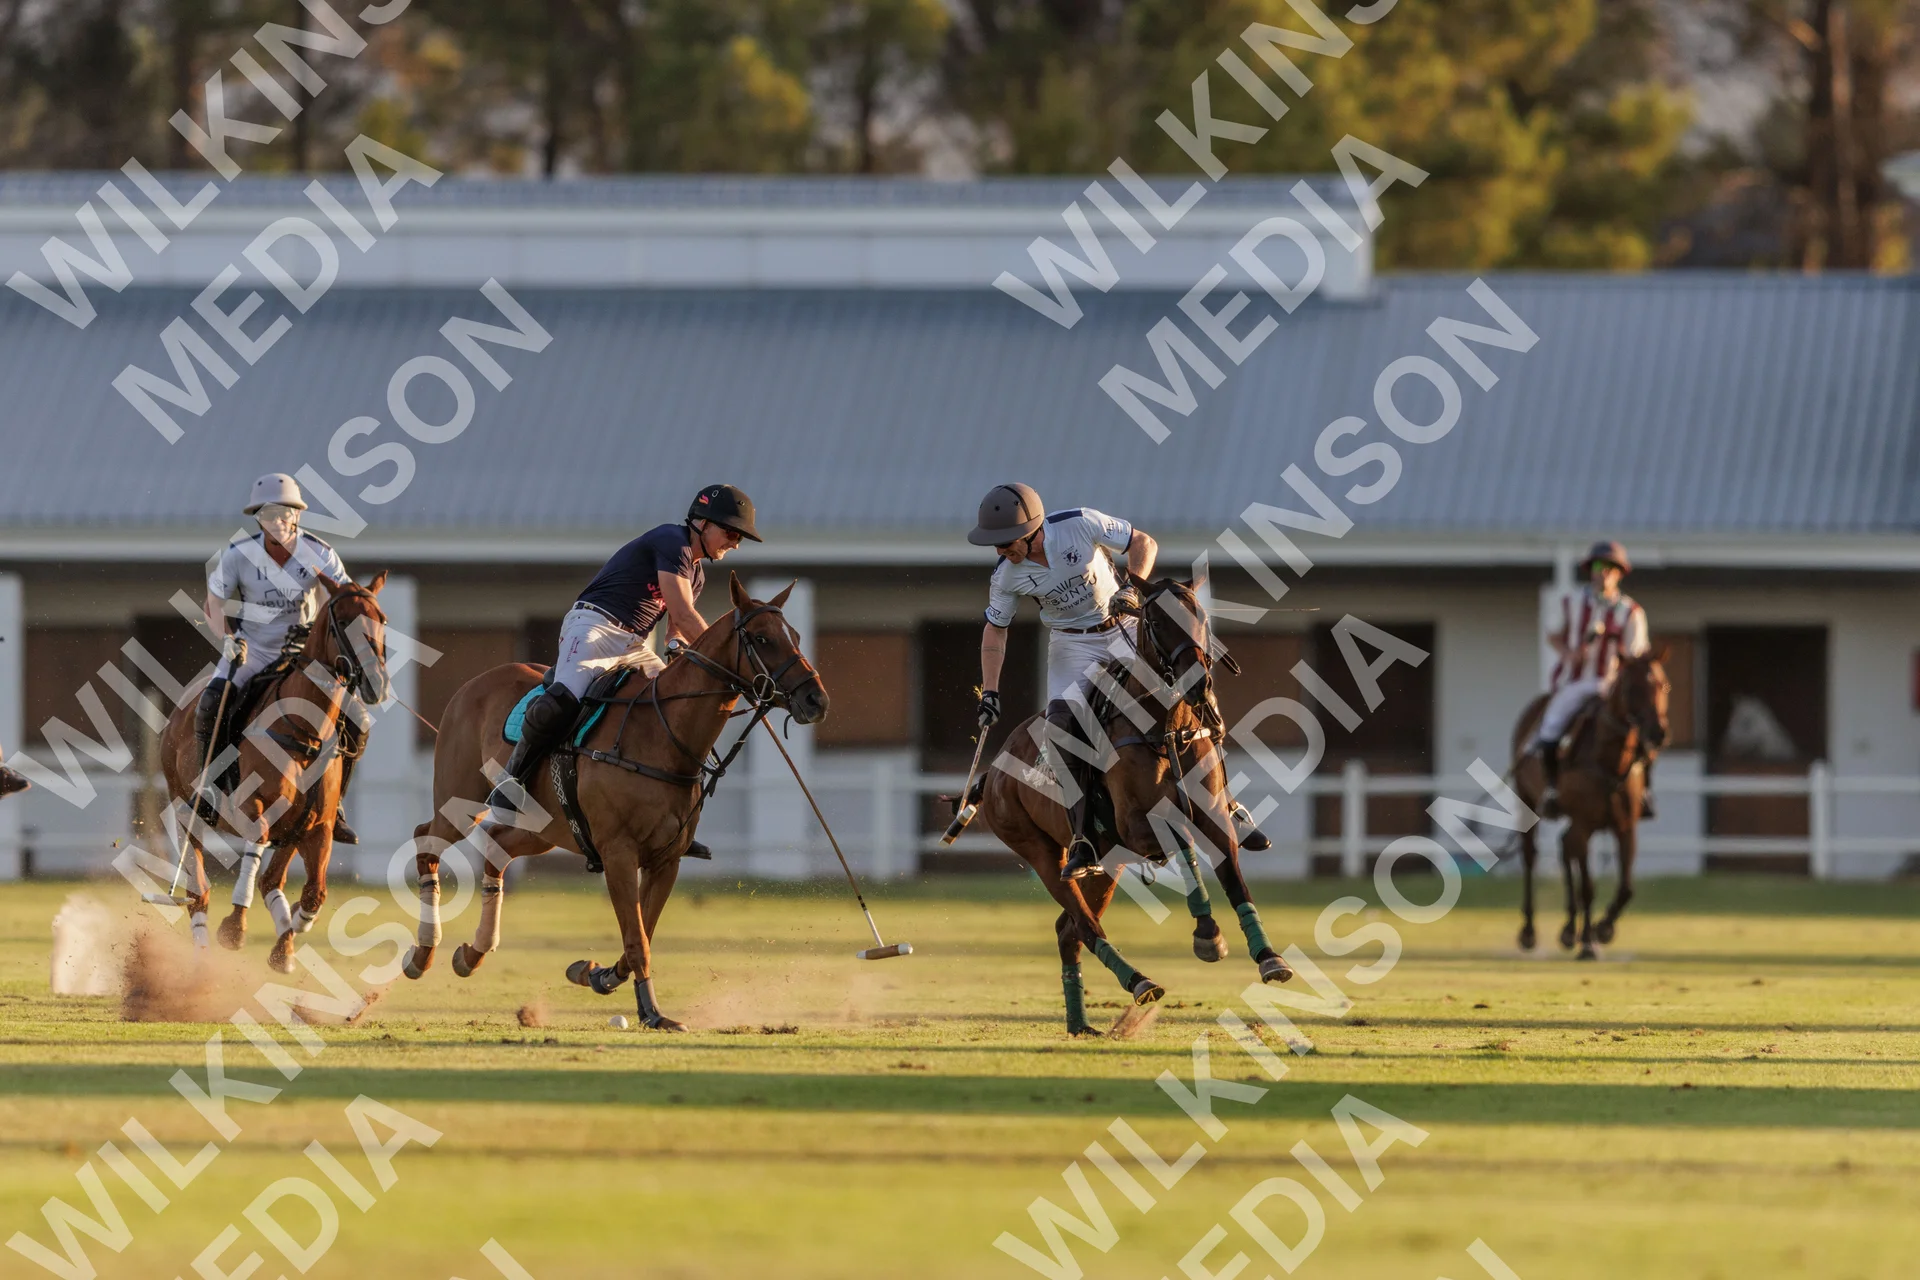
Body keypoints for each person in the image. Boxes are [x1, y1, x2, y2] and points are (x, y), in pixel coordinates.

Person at [483, 484, 762, 859]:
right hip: (593, 627)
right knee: (562, 699)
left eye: (739, 537)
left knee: (677, 708)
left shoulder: (696, 575)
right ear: (703, 523)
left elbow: (677, 629)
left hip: (633, 644)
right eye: (731, 533)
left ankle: (673, 820)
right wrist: (724, 658)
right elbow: (683, 614)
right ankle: (510, 783)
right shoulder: (672, 541)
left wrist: (677, 648)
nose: (735, 544)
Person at [968, 483, 1164, 882]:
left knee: (1182, 695)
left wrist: (1132, 587)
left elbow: (1143, 543)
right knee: (1059, 728)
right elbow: (995, 630)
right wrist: (990, 690)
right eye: (995, 545)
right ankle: (1083, 840)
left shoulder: (1080, 524)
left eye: (1006, 543)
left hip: (1123, 626)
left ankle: (1225, 804)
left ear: (1031, 530)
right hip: (1072, 644)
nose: (1000, 551)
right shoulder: (1006, 576)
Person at [198, 473, 360, 843]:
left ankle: (335, 806)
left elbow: (341, 600)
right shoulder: (238, 555)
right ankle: (210, 791)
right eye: (268, 514)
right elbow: (214, 605)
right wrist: (227, 639)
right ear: (258, 518)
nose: (277, 521)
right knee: (211, 703)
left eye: (284, 513)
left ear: (297, 515)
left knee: (356, 719)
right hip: (253, 649)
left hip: (303, 655)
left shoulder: (320, 553)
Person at [1535, 540, 1654, 818]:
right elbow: (1553, 635)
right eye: (1600, 566)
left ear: (1620, 573)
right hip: (1576, 681)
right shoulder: (1571, 603)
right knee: (1551, 729)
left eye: (1612, 567)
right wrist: (1570, 654)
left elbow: (1637, 654)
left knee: (1645, 733)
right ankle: (1552, 789)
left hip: (1613, 686)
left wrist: (1621, 655)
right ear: (1591, 569)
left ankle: (1644, 792)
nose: (1605, 572)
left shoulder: (1632, 612)